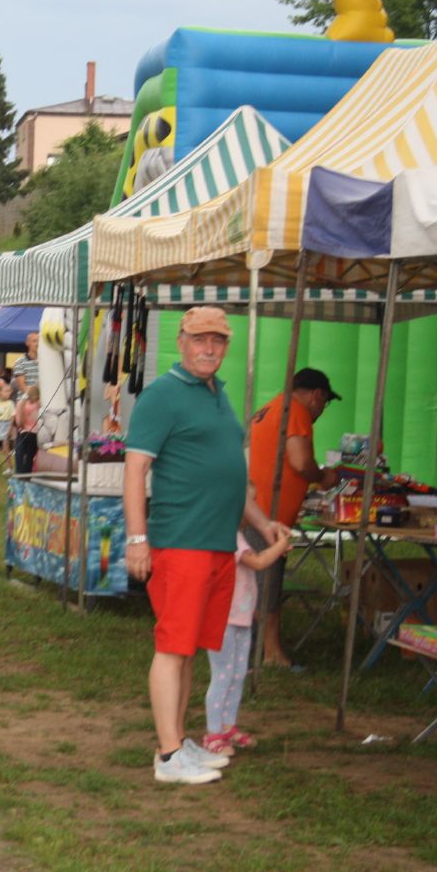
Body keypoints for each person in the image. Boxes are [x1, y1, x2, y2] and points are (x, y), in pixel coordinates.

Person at [122, 305, 289, 786]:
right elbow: (135, 470)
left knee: (189, 648)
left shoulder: (219, 394)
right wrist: (138, 539)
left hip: (217, 545)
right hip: (182, 541)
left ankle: (177, 740)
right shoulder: (162, 396)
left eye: (217, 340)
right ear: (181, 341)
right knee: (173, 646)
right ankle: (169, 754)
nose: (208, 348)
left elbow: (230, 476)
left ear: (227, 345)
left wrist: (262, 522)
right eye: (199, 339)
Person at [247, 367, 342, 668]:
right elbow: (300, 462)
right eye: (325, 403)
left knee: (260, 583)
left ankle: (259, 650)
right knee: (267, 585)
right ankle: (271, 654)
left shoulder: (269, 408)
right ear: (317, 395)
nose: (321, 411)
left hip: (256, 508)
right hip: (267, 514)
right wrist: (323, 476)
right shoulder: (296, 411)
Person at [203, 519, 292, 756]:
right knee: (222, 675)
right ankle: (213, 733)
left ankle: (228, 726)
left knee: (238, 673)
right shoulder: (230, 536)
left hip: (238, 616)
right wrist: (280, 546)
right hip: (224, 618)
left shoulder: (236, 535)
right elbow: (258, 562)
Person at [0, 379, 16, 470]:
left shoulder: (10, 403)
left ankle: (10, 468)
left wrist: (10, 429)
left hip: (6, 425)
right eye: (6, 391)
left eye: (9, 391)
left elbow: (12, 417)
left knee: (6, 449)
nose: (9, 393)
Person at [15, 385, 41, 475]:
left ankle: (19, 472)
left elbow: (18, 423)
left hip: (23, 432)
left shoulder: (20, 404)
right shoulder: (38, 405)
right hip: (35, 434)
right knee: (30, 456)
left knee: (20, 454)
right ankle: (27, 474)